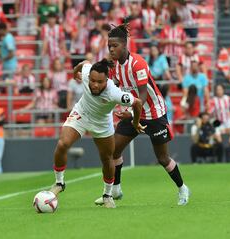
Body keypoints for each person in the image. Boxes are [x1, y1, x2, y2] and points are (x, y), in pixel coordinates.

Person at [94, 23, 190, 206]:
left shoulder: (137, 63)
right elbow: (117, 88)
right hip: (133, 112)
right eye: (109, 46)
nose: (111, 49)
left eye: (115, 46)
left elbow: (143, 96)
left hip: (153, 113)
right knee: (114, 150)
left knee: (162, 158)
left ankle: (182, 188)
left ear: (125, 45)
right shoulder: (115, 66)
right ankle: (116, 190)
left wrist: (130, 115)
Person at [50, 59, 144, 208]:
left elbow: (137, 103)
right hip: (82, 113)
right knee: (63, 144)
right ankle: (59, 183)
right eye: (92, 81)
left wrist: (134, 121)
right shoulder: (87, 72)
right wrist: (75, 72)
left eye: (99, 82)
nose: (94, 85)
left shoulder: (115, 93)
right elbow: (84, 63)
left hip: (101, 123)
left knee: (107, 159)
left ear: (106, 80)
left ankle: (107, 194)